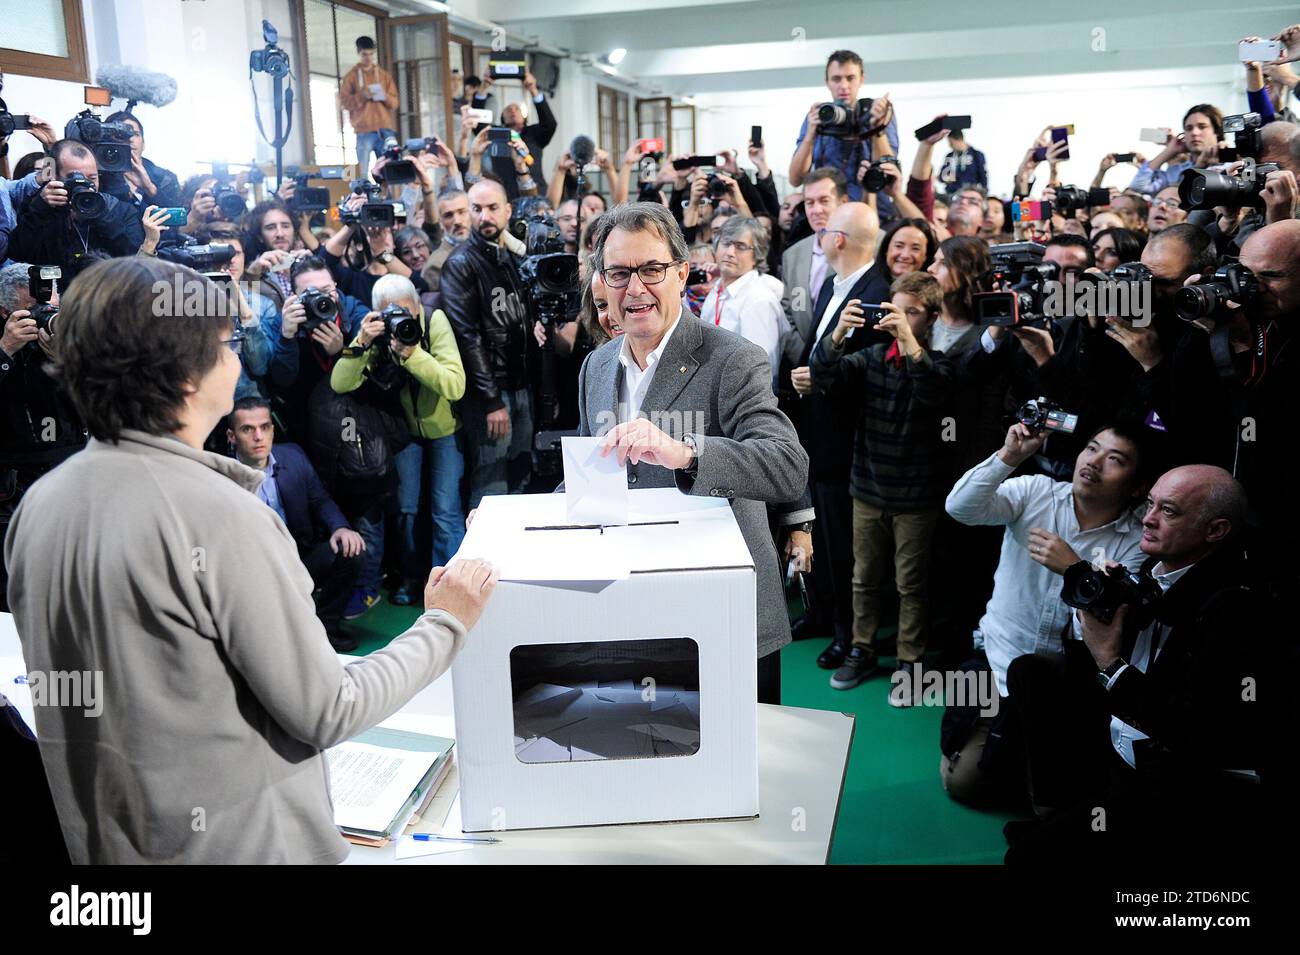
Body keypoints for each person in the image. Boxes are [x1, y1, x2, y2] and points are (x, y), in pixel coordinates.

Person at [3, 255, 499, 863]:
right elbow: (328, 707)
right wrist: (446, 623)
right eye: (226, 342)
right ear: (186, 372)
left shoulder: (42, 505)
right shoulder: (219, 516)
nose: (237, 359)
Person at [576, 203, 808, 705]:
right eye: (618, 273)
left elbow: (786, 466)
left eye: (651, 270)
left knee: (744, 772)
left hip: (720, 611)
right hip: (630, 612)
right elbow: (589, 478)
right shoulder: (594, 367)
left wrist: (684, 453)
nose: (634, 289)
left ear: (682, 273)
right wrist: (509, 527)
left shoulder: (733, 358)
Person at [1004, 466, 1280, 865]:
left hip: (1179, 780)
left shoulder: (1234, 610)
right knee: (1031, 673)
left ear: (1215, 530)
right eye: (1149, 503)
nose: (1148, 518)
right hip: (1123, 747)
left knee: (1025, 859)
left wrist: (1110, 662)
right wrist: (1108, 607)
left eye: (1169, 511)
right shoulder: (1158, 571)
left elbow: (1193, 733)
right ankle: (1061, 810)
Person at [939, 420, 1151, 805]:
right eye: (1091, 448)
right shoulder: (1035, 490)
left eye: (1114, 459)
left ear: (1137, 486)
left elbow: (1113, 616)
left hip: (1068, 682)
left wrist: (1075, 571)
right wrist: (1010, 457)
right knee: (963, 783)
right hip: (1001, 662)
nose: (1094, 462)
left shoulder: (1137, 538)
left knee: (1056, 798)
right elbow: (960, 508)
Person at [812, 271, 952, 697]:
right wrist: (837, 333)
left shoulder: (940, 362)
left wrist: (909, 344)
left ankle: (910, 662)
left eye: (912, 313)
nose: (902, 320)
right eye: (897, 310)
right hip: (868, 489)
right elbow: (823, 376)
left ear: (931, 318)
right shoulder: (870, 358)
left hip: (917, 496)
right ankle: (862, 648)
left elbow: (934, 393)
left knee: (912, 585)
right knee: (864, 579)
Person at [788, 202, 891, 662]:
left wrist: (821, 375)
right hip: (819, 435)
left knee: (844, 545)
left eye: (827, 229)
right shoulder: (835, 284)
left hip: (849, 442)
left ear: (839, 240)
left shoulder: (875, 295)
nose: (822, 234)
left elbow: (873, 372)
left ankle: (847, 633)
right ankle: (821, 613)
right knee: (823, 538)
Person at [331, 275, 466, 606]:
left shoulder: (434, 320)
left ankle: (451, 586)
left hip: (445, 429)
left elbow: (454, 385)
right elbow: (339, 383)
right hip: (404, 432)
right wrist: (362, 341)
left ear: (418, 307)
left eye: (407, 312)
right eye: (390, 314)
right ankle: (411, 577)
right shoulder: (373, 332)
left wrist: (412, 354)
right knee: (406, 509)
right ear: (377, 313)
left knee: (445, 512)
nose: (401, 320)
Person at [226, 396, 364, 651]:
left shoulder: (293, 457)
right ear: (232, 436)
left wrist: (340, 527)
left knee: (350, 551)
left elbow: (320, 500)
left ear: (272, 430)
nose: (258, 436)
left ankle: (325, 629)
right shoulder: (221, 477)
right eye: (247, 429)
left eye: (264, 427)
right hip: (251, 573)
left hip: (297, 559)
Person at [0, 261, 87, 609]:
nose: (44, 315)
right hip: (14, 493)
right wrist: (5, 351)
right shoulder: (4, 342)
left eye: (51, 305)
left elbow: (107, 403)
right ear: (5, 310)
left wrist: (65, 364)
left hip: (74, 481)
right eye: (31, 309)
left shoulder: (73, 338)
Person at [441, 177, 532, 507]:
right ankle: (482, 558)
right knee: (490, 484)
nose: (484, 216)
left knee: (521, 475)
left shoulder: (508, 256)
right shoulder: (460, 263)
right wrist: (492, 401)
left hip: (521, 384)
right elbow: (467, 337)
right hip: (490, 394)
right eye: (476, 209)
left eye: (492, 208)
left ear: (507, 211)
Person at [9, 140, 145, 274]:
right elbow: (18, 255)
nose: (84, 185)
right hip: (57, 293)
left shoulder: (118, 209)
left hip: (107, 292)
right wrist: (40, 210)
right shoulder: (40, 207)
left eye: (92, 178)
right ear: (54, 177)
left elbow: (133, 259)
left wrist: (101, 213)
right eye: (74, 178)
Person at [789, 50, 898, 207]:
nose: (844, 86)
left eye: (850, 78)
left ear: (861, 79)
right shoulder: (819, 117)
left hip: (873, 211)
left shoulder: (877, 112)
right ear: (827, 82)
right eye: (836, 79)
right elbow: (795, 179)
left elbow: (888, 174)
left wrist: (876, 128)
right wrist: (810, 136)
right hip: (829, 213)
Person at [779, 168, 849, 371]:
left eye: (824, 201)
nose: (816, 210)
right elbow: (788, 311)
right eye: (809, 202)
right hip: (801, 365)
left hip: (845, 366)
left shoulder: (869, 246)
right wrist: (806, 357)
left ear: (843, 202)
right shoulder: (793, 254)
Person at [701, 216, 784, 373]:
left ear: (757, 255)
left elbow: (761, 371)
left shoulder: (759, 299)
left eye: (741, 246)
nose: (730, 252)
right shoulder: (716, 290)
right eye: (726, 243)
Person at [1128, 105, 1224, 195]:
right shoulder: (1176, 171)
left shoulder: (1232, 164)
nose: (1194, 132)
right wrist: (1170, 150)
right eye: (1188, 128)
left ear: (1217, 131)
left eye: (1202, 127)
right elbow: (1138, 186)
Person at [340, 36, 399, 171]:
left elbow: (395, 103)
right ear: (359, 53)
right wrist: (362, 96)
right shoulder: (351, 77)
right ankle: (364, 192)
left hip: (384, 129)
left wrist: (385, 97)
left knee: (389, 170)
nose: (368, 58)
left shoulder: (384, 76)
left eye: (371, 54)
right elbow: (344, 103)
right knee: (363, 171)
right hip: (363, 130)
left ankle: (388, 193)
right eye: (364, 54)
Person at [101, 111, 181, 210]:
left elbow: (175, 219)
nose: (130, 139)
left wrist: (149, 188)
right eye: (121, 134)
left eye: (135, 134)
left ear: (143, 143)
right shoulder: (98, 178)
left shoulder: (166, 179)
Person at [938, 130, 988, 194]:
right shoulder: (949, 156)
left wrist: (984, 192)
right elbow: (942, 176)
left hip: (969, 192)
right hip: (952, 192)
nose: (950, 146)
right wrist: (945, 178)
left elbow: (982, 175)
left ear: (959, 140)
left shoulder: (976, 155)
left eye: (951, 143)